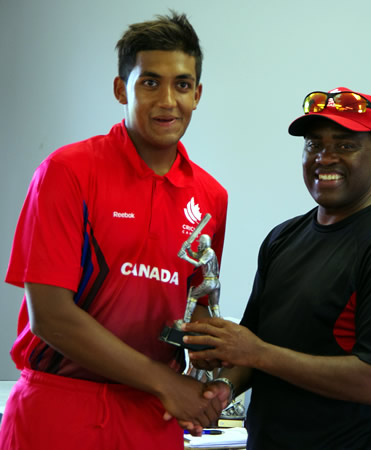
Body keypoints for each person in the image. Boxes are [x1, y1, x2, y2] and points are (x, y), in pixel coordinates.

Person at [0, 11, 228, 450]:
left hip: (151, 414)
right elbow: (51, 317)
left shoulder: (211, 197)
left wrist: (210, 380)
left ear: (197, 95)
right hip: (59, 407)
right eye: (150, 82)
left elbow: (193, 306)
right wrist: (167, 384)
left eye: (182, 85)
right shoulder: (68, 172)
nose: (168, 100)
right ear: (121, 88)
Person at [182, 88, 371, 449]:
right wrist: (223, 386)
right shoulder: (282, 238)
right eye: (314, 145)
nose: (325, 158)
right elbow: (249, 345)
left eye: (344, 145)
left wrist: (256, 353)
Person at [178, 233, 221, 324]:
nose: (198, 245)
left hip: (209, 281)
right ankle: (218, 325)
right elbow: (195, 256)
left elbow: (198, 264)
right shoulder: (206, 252)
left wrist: (185, 257)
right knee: (214, 306)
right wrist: (189, 249)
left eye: (200, 243)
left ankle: (186, 320)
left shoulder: (209, 252)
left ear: (204, 244)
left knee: (193, 295)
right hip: (215, 282)